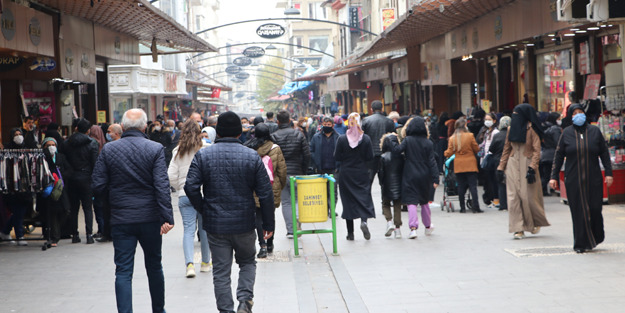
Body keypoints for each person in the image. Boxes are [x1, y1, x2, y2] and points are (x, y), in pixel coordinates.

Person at [184, 111, 275, 313]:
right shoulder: (252, 156)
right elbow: (265, 193)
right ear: (238, 133)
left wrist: (203, 207)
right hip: (244, 223)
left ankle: (226, 310)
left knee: (221, 271)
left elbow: (190, 187)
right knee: (247, 262)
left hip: (216, 224)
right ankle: (244, 300)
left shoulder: (203, 155)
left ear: (218, 131)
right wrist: (268, 225)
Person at [92, 109, 175, 313]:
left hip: (122, 218)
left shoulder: (110, 150)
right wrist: (167, 217)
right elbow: (161, 185)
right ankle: (158, 309)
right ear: (144, 127)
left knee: (123, 271)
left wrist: (114, 199)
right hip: (151, 219)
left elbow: (97, 185)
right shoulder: (155, 149)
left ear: (124, 127)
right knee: (154, 266)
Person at [550, 104, 612, 253]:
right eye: (575, 113)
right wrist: (554, 177)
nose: (578, 115)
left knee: (595, 208)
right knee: (578, 211)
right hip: (574, 179)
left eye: (581, 112)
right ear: (571, 116)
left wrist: (609, 173)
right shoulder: (567, 133)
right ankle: (580, 244)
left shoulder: (595, 131)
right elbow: (558, 156)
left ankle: (596, 235)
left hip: (593, 178)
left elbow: (604, 153)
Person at [497, 103, 550, 240]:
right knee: (513, 197)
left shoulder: (532, 130)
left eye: (516, 114)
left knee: (528, 198)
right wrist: (500, 167)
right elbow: (506, 149)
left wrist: (533, 167)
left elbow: (537, 151)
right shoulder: (510, 129)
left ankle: (534, 223)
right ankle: (518, 228)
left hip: (528, 165)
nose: (514, 116)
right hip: (513, 165)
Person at [168, 119, 211, 278]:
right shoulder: (207, 149)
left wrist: (180, 187)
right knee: (205, 230)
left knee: (188, 230)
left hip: (185, 195)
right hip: (204, 195)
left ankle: (190, 264)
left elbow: (171, 175)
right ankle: (206, 263)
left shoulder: (178, 151)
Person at [391, 117, 439, 239]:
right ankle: (428, 226)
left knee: (411, 201)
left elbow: (397, 150)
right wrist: (435, 178)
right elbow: (432, 161)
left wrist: (392, 140)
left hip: (410, 173)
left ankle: (413, 229)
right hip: (424, 174)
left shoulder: (407, 140)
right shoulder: (428, 143)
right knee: (424, 202)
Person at [244, 123, 287, 258]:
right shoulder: (275, 148)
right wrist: (280, 186)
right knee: (270, 214)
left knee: (258, 216)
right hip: (271, 186)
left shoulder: (249, 148)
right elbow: (282, 171)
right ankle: (270, 243)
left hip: (254, 186)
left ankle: (261, 245)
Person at [334, 113, 375, 240]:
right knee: (363, 198)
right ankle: (364, 222)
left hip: (346, 174)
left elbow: (337, 156)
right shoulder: (366, 138)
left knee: (348, 202)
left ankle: (350, 233)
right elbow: (370, 157)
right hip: (361, 173)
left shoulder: (342, 139)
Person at [271, 110, 311, 238]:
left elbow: (272, 157)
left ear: (278, 121)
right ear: (289, 121)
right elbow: (306, 155)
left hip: (281, 175)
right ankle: (298, 223)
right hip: (297, 172)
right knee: (298, 200)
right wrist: (304, 170)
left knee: (286, 202)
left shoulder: (274, 136)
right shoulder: (298, 134)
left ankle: (290, 230)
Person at [63, 118, 99, 244]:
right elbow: (95, 164)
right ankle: (89, 235)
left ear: (76, 128)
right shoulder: (92, 143)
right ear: (88, 130)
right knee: (88, 208)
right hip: (86, 178)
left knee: (74, 208)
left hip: (71, 178)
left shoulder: (66, 143)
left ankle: (75, 235)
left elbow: (64, 161)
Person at [0, 128, 33, 246]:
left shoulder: (27, 148)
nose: (18, 136)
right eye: (16, 134)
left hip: (25, 187)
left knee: (19, 213)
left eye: (20, 134)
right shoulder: (7, 151)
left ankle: (5, 231)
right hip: (12, 187)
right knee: (18, 212)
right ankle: (19, 235)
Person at [444, 118, 482, 213]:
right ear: (465, 126)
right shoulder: (470, 136)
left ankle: (462, 208)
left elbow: (449, 152)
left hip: (459, 164)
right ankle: (476, 207)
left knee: (461, 186)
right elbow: (476, 149)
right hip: (470, 164)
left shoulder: (452, 138)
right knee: (473, 186)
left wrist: (445, 153)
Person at [41, 137, 72, 247]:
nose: (51, 147)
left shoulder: (61, 157)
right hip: (49, 189)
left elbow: (69, 170)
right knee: (53, 213)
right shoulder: (42, 158)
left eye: (53, 145)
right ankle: (55, 236)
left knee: (66, 210)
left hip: (61, 188)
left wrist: (61, 176)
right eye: (48, 145)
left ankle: (57, 230)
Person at [309, 117, 341, 216]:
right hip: (321, 168)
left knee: (333, 191)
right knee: (322, 191)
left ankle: (332, 210)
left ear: (333, 125)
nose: (327, 126)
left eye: (329, 124)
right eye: (325, 124)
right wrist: (316, 162)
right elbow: (311, 150)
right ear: (322, 124)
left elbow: (342, 152)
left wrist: (339, 165)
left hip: (334, 168)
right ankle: (324, 209)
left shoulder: (338, 137)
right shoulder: (316, 137)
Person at [362, 100, 396, 184]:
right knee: (385, 181)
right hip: (385, 154)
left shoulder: (366, 121)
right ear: (382, 109)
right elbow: (394, 138)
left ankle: (367, 197)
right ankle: (385, 197)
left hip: (370, 154)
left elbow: (362, 138)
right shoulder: (389, 121)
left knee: (368, 180)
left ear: (371, 109)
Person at [379, 128, 404, 238]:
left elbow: (381, 173)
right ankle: (398, 229)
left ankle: (389, 221)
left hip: (387, 184)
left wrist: (381, 183)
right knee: (397, 205)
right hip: (398, 184)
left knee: (385, 204)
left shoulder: (383, 157)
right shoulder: (401, 156)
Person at [477, 113, 500, 208]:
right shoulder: (485, 131)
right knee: (488, 180)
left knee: (493, 180)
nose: (487, 121)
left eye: (489, 119)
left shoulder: (495, 132)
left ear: (494, 121)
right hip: (485, 158)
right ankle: (491, 199)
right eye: (486, 119)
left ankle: (496, 200)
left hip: (491, 158)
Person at [489, 116, 511, 211]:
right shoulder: (513, 134)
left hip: (498, 161)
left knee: (501, 183)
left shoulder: (497, 135)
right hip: (511, 161)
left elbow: (491, 149)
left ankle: (503, 205)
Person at [540, 112, 561, 196]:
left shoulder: (545, 128)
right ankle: (557, 190)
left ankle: (543, 190)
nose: (560, 120)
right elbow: (558, 142)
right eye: (558, 119)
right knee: (554, 173)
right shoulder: (555, 129)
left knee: (546, 174)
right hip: (552, 155)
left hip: (545, 154)